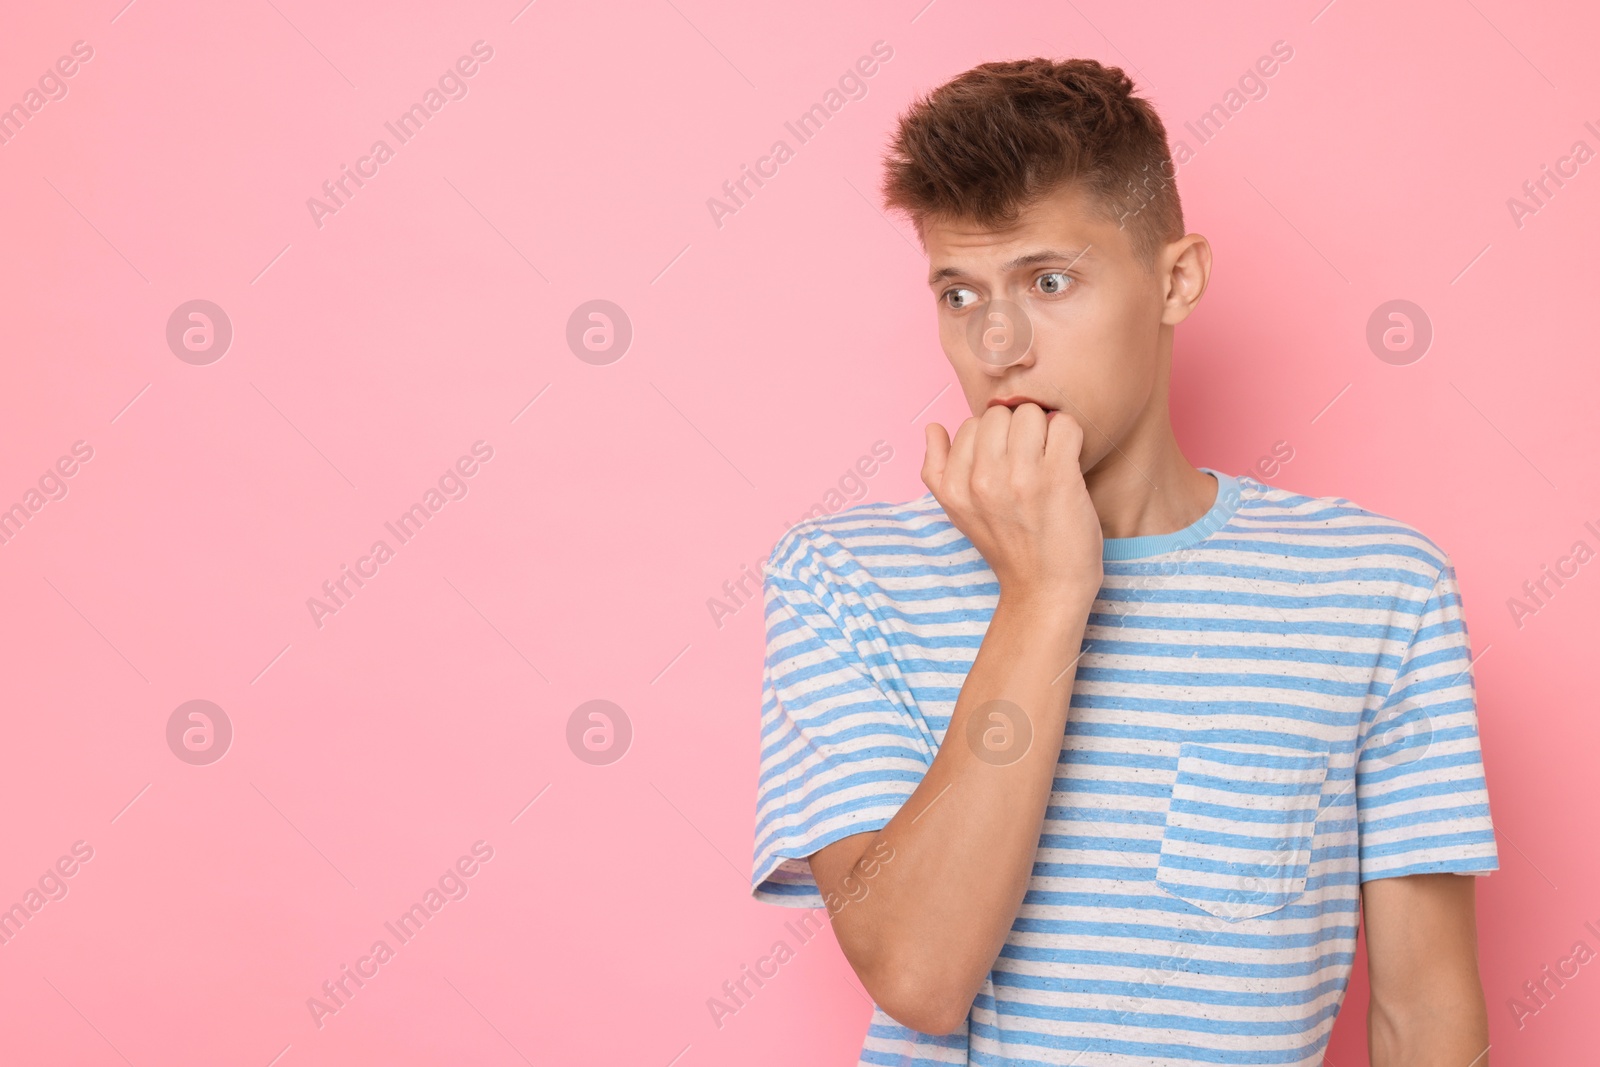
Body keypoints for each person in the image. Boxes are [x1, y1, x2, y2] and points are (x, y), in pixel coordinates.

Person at [749, 57, 1498, 1066]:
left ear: (1174, 279)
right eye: (958, 293)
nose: (998, 343)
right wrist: (1045, 589)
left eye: (1047, 280)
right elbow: (920, 973)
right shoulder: (842, 579)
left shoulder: (1379, 590)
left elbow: (1424, 1015)